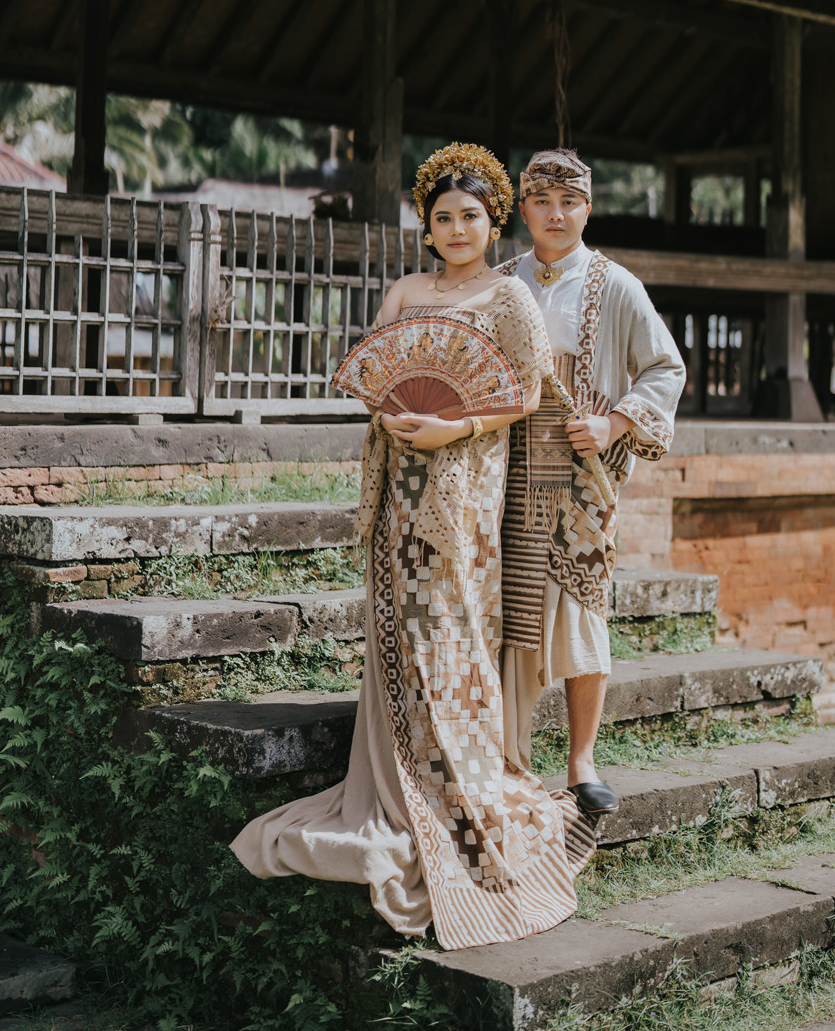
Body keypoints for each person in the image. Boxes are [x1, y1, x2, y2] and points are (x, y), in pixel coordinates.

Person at [230, 144, 595, 951]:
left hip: (466, 487)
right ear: (427, 226)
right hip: (399, 477)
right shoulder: (404, 291)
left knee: (450, 629)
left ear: (493, 220)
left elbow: (522, 393)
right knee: (398, 622)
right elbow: (382, 376)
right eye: (443, 217)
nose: (457, 228)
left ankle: (459, 781)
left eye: (471, 215)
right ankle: (394, 782)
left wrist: (452, 427)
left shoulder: (509, 296)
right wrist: (396, 415)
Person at [497, 148, 686, 816]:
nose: (555, 214)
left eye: (568, 202)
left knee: (581, 609)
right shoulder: (499, 283)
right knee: (507, 607)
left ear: (588, 208)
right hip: (505, 469)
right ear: (523, 209)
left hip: (583, 477)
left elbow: (665, 367)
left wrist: (615, 423)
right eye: (542, 201)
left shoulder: (617, 286)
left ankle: (582, 762)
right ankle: (507, 755)